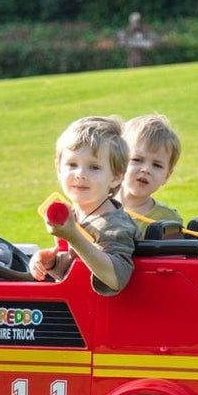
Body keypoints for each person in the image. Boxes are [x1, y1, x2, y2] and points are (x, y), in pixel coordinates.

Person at [29, 116, 139, 295]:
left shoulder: (113, 225)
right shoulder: (75, 215)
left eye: (94, 167)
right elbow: (78, 267)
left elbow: (115, 278)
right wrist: (53, 261)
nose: (80, 174)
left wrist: (73, 236)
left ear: (116, 177)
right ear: (59, 169)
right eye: (72, 165)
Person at [117, 113, 183, 234]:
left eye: (157, 165)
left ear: (167, 176)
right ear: (118, 161)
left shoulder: (168, 220)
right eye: (137, 159)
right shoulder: (95, 207)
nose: (146, 169)